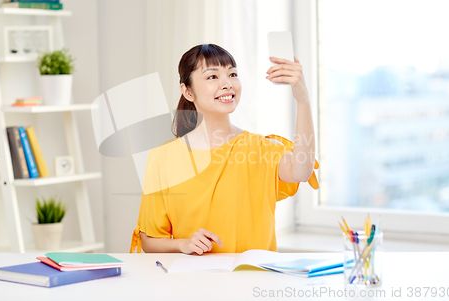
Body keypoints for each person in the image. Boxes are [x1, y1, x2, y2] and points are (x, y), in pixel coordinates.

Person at [130, 44, 319, 255]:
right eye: (212, 77)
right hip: (193, 284)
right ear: (187, 91)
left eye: (232, 74)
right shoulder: (163, 158)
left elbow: (301, 171)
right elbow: (150, 241)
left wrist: (303, 100)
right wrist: (183, 244)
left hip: (253, 282)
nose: (227, 83)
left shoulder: (261, 149)